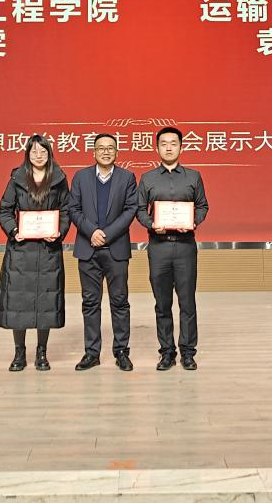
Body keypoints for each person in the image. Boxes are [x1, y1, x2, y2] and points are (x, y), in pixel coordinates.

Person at [0, 134, 71, 372]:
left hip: (48, 250)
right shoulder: (17, 178)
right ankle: (19, 353)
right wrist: (14, 231)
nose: (39, 156)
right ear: (27, 154)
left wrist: (59, 232)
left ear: (50, 154)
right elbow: (4, 210)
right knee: (18, 302)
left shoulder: (59, 179)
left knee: (46, 302)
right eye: (34, 152)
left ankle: (42, 352)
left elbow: (66, 211)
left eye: (43, 151)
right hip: (21, 251)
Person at [136, 126, 209, 371]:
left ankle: (188, 352)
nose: (169, 147)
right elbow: (139, 209)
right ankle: (167, 352)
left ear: (181, 147)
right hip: (158, 247)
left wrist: (193, 221)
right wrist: (151, 224)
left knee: (187, 302)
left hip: (185, 246)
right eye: (164, 144)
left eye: (173, 143)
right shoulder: (147, 178)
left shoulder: (193, 177)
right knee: (162, 303)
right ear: (157, 148)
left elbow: (202, 206)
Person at [67, 133, 138, 372]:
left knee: (120, 302)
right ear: (93, 152)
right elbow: (73, 209)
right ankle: (92, 353)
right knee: (90, 303)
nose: (106, 152)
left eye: (110, 148)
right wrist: (92, 231)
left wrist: (106, 234)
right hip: (88, 249)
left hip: (116, 250)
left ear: (117, 152)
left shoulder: (127, 177)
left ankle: (121, 352)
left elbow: (130, 210)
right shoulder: (80, 177)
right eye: (101, 148)